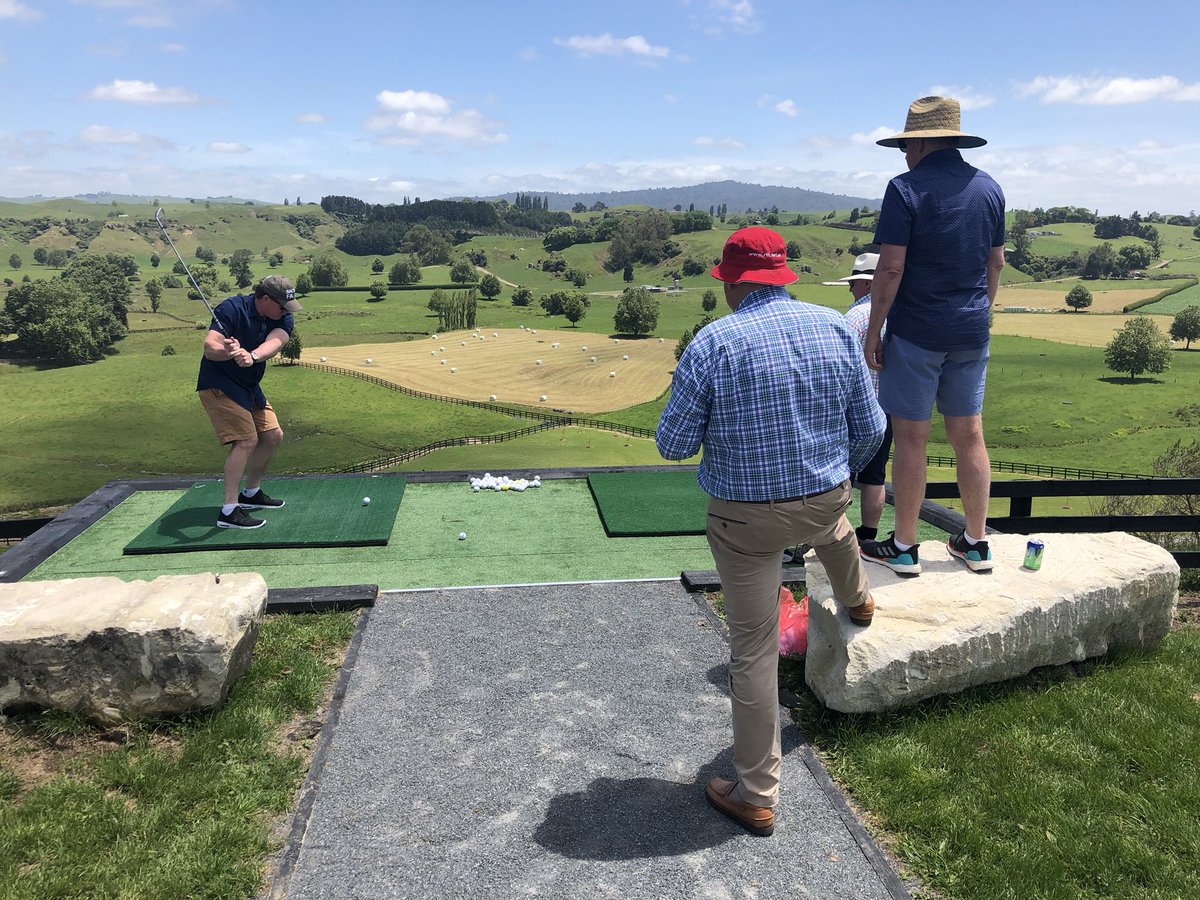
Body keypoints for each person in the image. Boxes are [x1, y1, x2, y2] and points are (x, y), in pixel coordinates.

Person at [657, 227, 885, 837]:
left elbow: (673, 443)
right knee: (832, 523)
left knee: (752, 651)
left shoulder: (713, 342)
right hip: (825, 496)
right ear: (783, 275)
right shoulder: (837, 327)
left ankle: (758, 794)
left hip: (745, 520)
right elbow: (871, 428)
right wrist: (833, 472)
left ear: (732, 281)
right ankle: (859, 598)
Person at [860, 95, 1005, 575]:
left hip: (917, 330)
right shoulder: (990, 189)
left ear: (922, 141)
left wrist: (874, 328)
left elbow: (892, 266)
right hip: (971, 330)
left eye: (906, 146)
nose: (903, 155)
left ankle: (904, 547)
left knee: (911, 438)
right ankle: (977, 543)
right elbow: (996, 262)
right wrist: (981, 313)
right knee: (970, 434)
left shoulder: (905, 188)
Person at [196, 275, 301, 529]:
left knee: (273, 434)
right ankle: (229, 511)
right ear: (265, 299)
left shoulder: (282, 317)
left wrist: (251, 355)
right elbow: (210, 347)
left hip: (248, 386)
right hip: (218, 384)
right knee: (246, 440)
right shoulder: (231, 309)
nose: (287, 311)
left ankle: (251, 493)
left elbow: (276, 342)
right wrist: (228, 352)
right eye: (282, 305)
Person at [826, 252, 892, 547]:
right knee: (875, 475)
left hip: (855, 410)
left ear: (866, 285)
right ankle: (868, 535)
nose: (850, 289)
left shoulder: (855, 317)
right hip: (890, 406)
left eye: (854, 283)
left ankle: (831, 537)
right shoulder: (901, 313)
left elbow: (836, 363)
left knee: (839, 476)